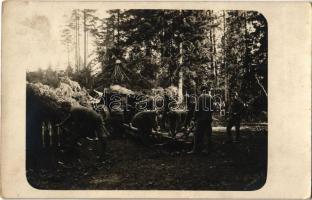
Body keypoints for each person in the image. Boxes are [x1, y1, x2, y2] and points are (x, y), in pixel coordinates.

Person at [188, 85, 213, 154]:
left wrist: (194, 118)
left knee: (197, 134)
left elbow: (197, 109)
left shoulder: (201, 97)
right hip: (208, 118)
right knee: (208, 134)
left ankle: (195, 149)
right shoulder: (211, 97)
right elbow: (212, 109)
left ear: (201, 90)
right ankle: (207, 149)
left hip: (201, 119)